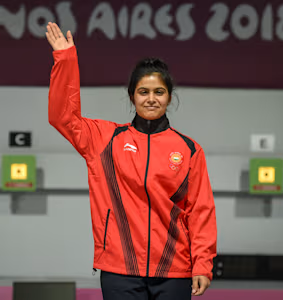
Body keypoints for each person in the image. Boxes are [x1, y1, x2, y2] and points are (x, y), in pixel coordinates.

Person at [46, 22, 217, 299]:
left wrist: (203, 264)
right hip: (119, 270)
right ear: (132, 96)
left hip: (174, 271)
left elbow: (201, 212)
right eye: (144, 92)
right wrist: (65, 59)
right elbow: (62, 117)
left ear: (169, 97)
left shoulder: (188, 149)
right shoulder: (104, 139)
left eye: (159, 92)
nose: (151, 99)